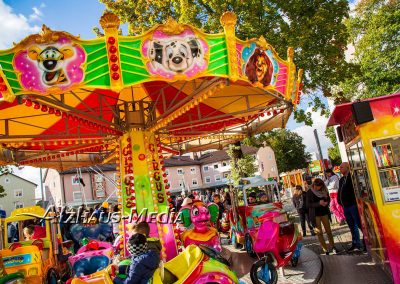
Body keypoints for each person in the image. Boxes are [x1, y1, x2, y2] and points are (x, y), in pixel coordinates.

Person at [338, 162, 363, 251]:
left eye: (341, 167)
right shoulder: (341, 179)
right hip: (345, 206)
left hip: (353, 205)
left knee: (359, 224)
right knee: (352, 226)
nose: (340, 169)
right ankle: (356, 243)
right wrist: (339, 201)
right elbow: (340, 191)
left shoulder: (351, 178)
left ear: (347, 168)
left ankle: (365, 242)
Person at [307, 178, 335, 255]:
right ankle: (325, 249)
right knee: (319, 233)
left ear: (321, 186)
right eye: (315, 185)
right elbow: (308, 204)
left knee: (329, 231)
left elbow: (328, 199)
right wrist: (318, 203)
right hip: (315, 215)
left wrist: (326, 202)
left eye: (318, 186)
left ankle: (333, 246)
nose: (316, 188)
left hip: (324, 213)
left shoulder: (324, 191)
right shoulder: (310, 192)